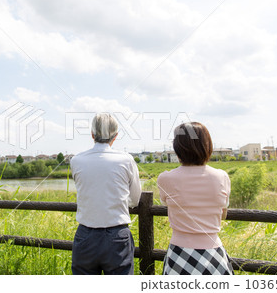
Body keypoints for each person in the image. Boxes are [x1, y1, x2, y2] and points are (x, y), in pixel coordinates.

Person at [157, 122, 233, 275]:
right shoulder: (221, 177)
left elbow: (169, 205)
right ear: (207, 146)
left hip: (179, 252)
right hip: (214, 253)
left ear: (177, 147)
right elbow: (223, 214)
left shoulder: (166, 178)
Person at [70, 113, 142, 275]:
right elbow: (135, 199)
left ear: (92, 134)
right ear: (115, 136)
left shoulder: (76, 160)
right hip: (117, 235)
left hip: (85, 235)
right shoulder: (126, 160)